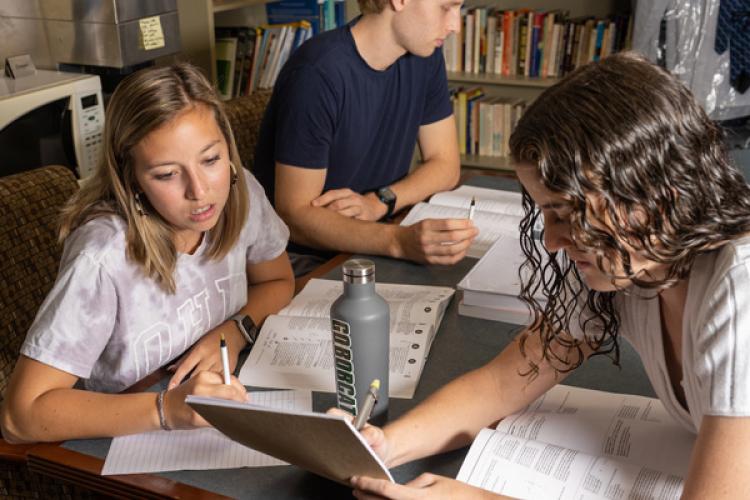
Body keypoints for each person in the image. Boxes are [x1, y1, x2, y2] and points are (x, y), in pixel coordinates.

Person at [344, 52, 750, 499]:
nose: (553, 241)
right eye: (545, 214)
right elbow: (502, 383)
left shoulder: (739, 290)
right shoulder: (629, 261)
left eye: (567, 214)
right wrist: (382, 446)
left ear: (650, 197)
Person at [0, 64, 295, 443]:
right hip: (118, 442)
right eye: (167, 174)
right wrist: (167, 409)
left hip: (206, 411)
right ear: (132, 178)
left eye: (210, 160)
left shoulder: (240, 194)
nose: (200, 191)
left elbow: (278, 280)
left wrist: (234, 331)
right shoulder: (103, 257)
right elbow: (18, 417)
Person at [253, 0, 478, 275]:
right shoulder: (317, 73)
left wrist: (379, 202)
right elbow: (294, 217)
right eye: (446, 8)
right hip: (305, 260)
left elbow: (445, 165)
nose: (455, 25)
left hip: (375, 238)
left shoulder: (426, 54)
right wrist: (399, 242)